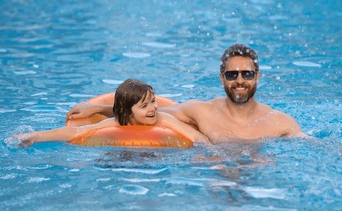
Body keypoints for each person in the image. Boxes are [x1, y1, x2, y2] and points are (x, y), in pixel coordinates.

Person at [67, 44, 307, 144]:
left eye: (247, 74)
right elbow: (149, 113)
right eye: (232, 75)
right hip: (209, 173)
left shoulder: (279, 121)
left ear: (258, 76)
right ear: (222, 77)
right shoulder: (199, 111)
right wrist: (97, 109)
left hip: (259, 176)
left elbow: (310, 144)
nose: (240, 81)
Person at [14, 79, 210, 146]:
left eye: (153, 101)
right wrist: (37, 136)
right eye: (144, 106)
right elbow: (76, 133)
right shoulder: (116, 124)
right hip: (121, 154)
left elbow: (197, 137)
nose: (153, 108)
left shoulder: (164, 119)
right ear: (127, 113)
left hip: (157, 155)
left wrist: (210, 154)